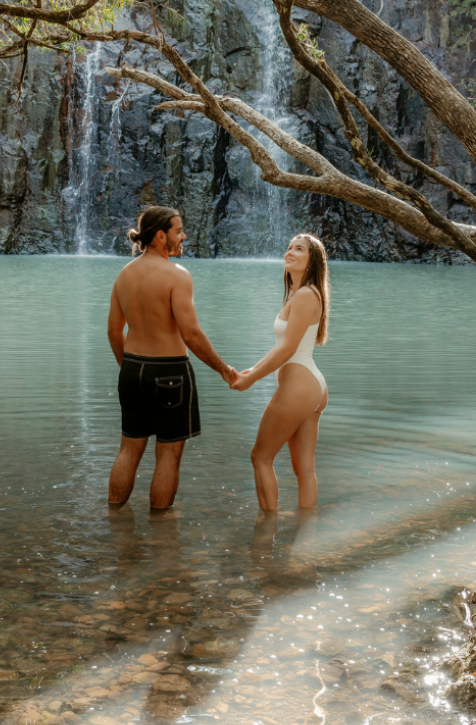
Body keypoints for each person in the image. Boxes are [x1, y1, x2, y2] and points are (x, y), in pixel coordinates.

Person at [107, 206, 237, 509]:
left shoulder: (124, 275)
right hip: (170, 373)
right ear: (160, 235)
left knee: (128, 450)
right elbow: (191, 334)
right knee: (168, 454)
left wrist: (127, 368)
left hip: (132, 368)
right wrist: (222, 368)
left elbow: (114, 331)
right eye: (179, 231)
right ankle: (162, 536)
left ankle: (115, 521)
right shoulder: (177, 275)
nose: (184, 236)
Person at [230, 234, 330, 511]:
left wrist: (252, 378)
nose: (290, 252)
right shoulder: (303, 294)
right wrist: (257, 366)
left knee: (260, 457)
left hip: (299, 385)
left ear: (312, 262)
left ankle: (266, 535)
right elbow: (283, 346)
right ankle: (305, 539)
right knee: (304, 470)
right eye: (289, 247)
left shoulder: (306, 295)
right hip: (311, 386)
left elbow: (288, 350)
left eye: (299, 249)